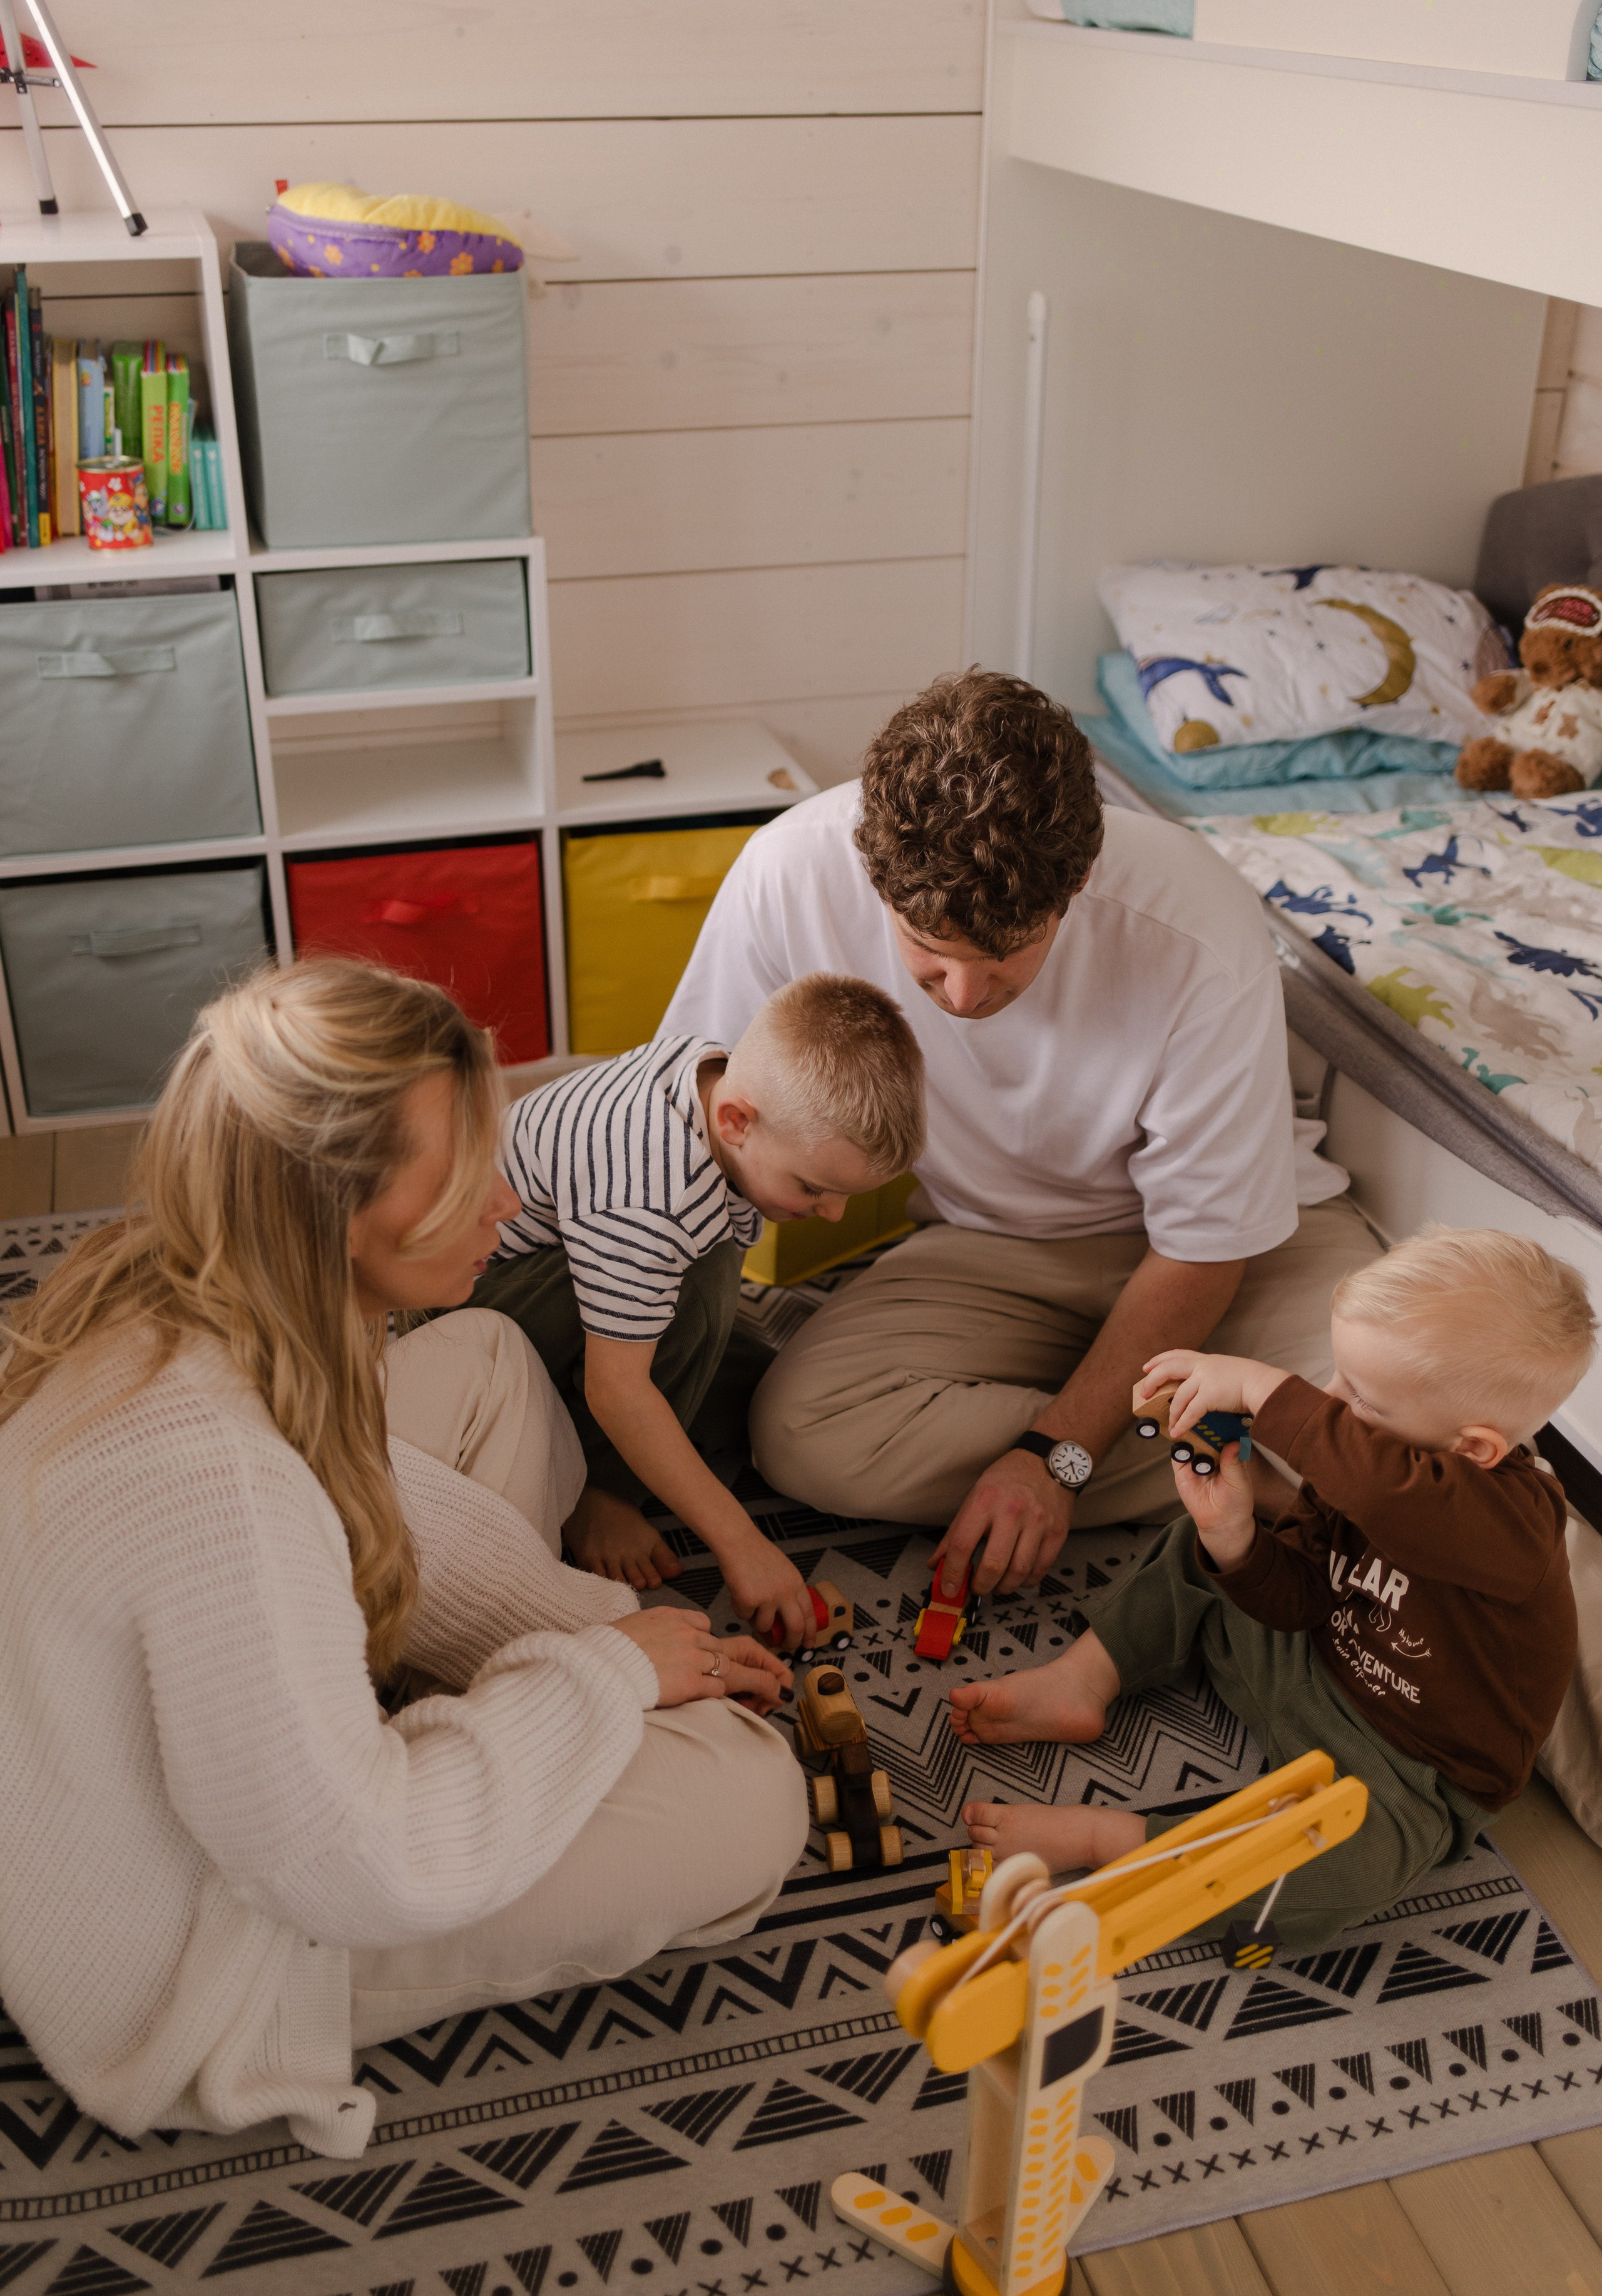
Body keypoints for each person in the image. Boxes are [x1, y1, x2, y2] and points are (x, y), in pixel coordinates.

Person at [0, 960, 807, 2160]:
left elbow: (380, 1484)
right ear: (331, 1210)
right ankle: (476, 1739)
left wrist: (589, 1625)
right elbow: (362, 1863)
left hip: (192, 1750)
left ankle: (479, 1720)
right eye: (463, 1174)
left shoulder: (208, 1289)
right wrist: (605, 1680)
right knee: (752, 1793)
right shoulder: (224, 1485)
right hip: (193, 1942)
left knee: (485, 1354)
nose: (503, 1200)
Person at [661, 668, 1377, 1596]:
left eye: (1003, 958)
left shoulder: (1196, 926)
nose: (963, 999)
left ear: (1077, 881)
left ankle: (1241, 1459)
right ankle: (1244, 1463)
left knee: (1408, 1438)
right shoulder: (787, 872)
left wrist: (1057, 1457)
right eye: (929, 956)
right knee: (798, 1434)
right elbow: (689, 1124)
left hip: (1229, 1262)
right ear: (871, 870)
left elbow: (1205, 1247)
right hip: (996, 1254)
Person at [952, 1229, 1591, 1946]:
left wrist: (1260, 1387)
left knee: (1340, 1877)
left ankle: (1115, 1840)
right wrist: (1234, 1539)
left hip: (1407, 1778)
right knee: (1194, 1550)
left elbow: (1388, 1493)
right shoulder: (1356, 1461)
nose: (1328, 1401)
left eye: (1364, 1399)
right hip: (1309, 1666)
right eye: (1336, 1377)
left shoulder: (1515, 1522)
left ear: (1472, 1449)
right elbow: (1302, 1598)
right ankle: (1081, 1678)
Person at [471, 974, 925, 1649]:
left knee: (754, 1388)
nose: (830, 1213)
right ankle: (591, 1490)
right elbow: (616, 1389)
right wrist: (740, 1542)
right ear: (736, 1122)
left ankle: (634, 1413)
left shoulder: (711, 1071)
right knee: (697, 1285)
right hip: (470, 1305)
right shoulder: (653, 1201)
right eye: (814, 1188)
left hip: (577, 1257)